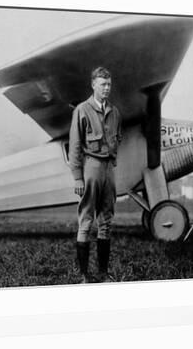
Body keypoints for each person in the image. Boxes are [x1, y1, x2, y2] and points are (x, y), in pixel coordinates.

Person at [68, 66, 122, 283]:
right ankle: (84, 276)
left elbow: (118, 138)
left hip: (109, 168)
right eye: (103, 84)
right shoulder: (82, 110)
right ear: (93, 85)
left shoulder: (115, 112)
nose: (107, 88)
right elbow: (75, 145)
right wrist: (78, 177)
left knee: (106, 220)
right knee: (87, 220)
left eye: (109, 84)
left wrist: (112, 162)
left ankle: (103, 273)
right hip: (90, 167)